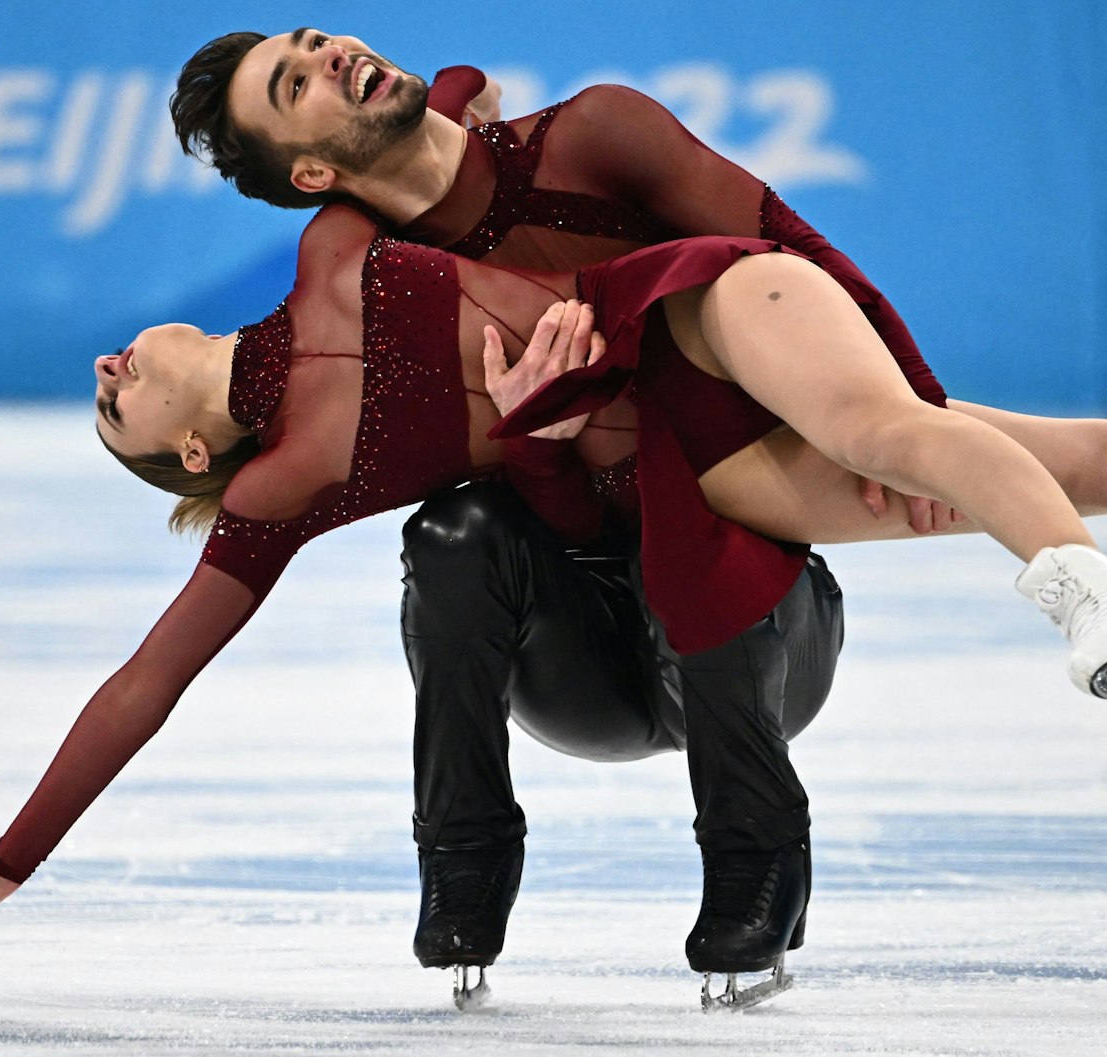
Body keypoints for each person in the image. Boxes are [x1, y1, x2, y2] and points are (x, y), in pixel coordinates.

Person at [0, 205, 1107, 1006]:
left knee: (1038, 451)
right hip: (676, 514)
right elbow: (151, 677)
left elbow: (526, 163)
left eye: (107, 375)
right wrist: (18, 855)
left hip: (696, 357)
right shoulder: (288, 480)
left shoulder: (332, 244)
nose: (106, 363)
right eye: (112, 407)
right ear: (200, 447)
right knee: (1091, 452)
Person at [163, 26, 969, 1002]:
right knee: (453, 533)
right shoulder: (370, 279)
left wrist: (909, 421)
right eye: (295, 81)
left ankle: (755, 865)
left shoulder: (556, 147)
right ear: (315, 170)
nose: (332, 57)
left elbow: (801, 257)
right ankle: (464, 867)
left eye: (315, 42)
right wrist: (536, 442)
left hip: (757, 630)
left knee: (694, 532)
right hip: (585, 661)